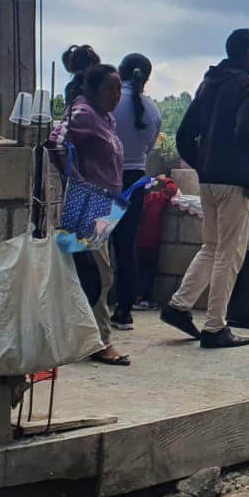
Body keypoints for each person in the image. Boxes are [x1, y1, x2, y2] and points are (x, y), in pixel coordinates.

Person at [160, 28, 249, 349]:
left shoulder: (209, 84)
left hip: (208, 180)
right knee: (228, 252)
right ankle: (215, 326)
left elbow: (183, 135)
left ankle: (178, 305)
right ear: (248, 54)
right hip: (234, 181)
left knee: (211, 245)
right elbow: (245, 130)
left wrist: (203, 164)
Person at [61, 62, 130, 366]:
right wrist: (76, 179)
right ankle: (101, 340)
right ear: (93, 88)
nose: (117, 94)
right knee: (99, 273)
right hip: (87, 204)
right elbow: (57, 142)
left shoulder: (105, 118)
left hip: (106, 204)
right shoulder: (82, 114)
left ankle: (84, 336)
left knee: (91, 272)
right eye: (111, 88)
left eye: (119, 89)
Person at [106, 53, 162, 331]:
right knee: (127, 246)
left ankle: (95, 305)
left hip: (105, 177)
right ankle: (124, 310)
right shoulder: (152, 110)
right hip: (136, 182)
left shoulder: (108, 105)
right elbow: (150, 148)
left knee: (96, 244)